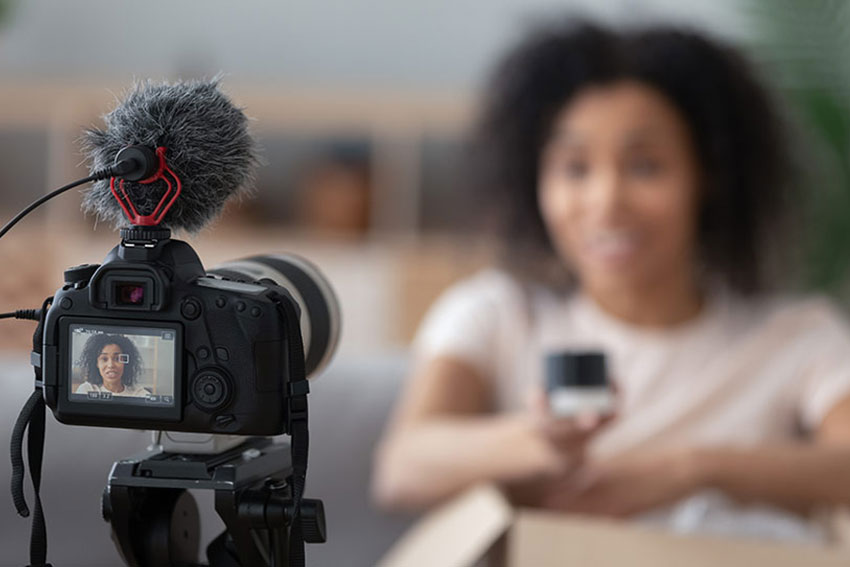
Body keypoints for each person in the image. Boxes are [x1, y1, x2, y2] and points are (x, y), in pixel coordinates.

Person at [372, 19, 850, 538]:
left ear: (708, 174)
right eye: (574, 168)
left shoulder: (795, 335)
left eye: (645, 166)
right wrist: (536, 440)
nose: (606, 202)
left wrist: (689, 470)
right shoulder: (497, 313)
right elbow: (400, 469)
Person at [75, 333, 150, 397]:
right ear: (96, 363)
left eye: (117, 359)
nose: (111, 365)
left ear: (126, 363)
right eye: (104, 359)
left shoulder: (139, 394)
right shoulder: (86, 390)